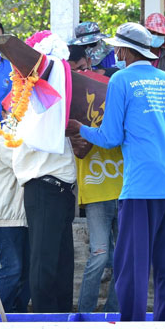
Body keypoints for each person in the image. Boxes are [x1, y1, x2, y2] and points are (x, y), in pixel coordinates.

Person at [67, 22, 165, 322]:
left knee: (131, 263)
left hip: (141, 184)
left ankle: (132, 323)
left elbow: (110, 137)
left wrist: (79, 128)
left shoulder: (121, 80)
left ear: (122, 50)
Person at [7, 30, 77, 313]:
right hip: (43, 185)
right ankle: (45, 319)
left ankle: (61, 316)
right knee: (44, 261)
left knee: (63, 262)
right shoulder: (29, 98)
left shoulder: (57, 100)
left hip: (63, 187)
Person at [67, 45, 121, 313]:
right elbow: (79, 148)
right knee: (99, 255)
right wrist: (89, 127)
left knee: (124, 257)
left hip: (125, 189)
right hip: (97, 191)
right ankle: (84, 313)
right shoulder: (74, 106)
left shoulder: (118, 99)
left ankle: (114, 311)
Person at [0, 106, 30, 313]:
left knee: (27, 272)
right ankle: (0, 315)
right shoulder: (1, 140)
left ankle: (18, 315)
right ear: (3, 115)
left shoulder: (27, 137)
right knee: (13, 268)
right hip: (7, 214)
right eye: (12, 112)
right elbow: (23, 164)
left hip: (24, 215)